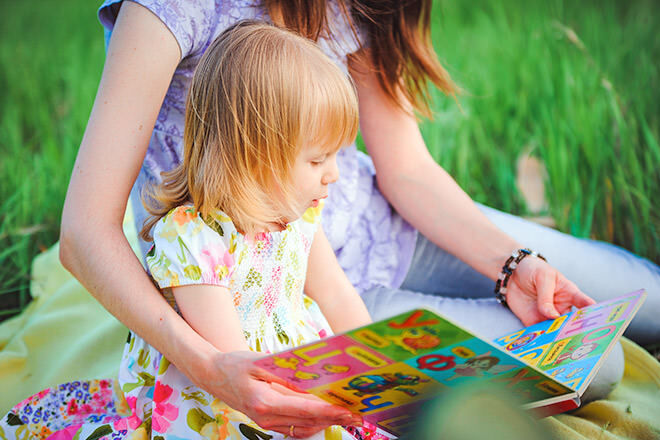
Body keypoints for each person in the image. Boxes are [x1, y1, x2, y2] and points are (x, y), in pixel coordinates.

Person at [55, 0, 659, 436]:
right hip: (291, 305)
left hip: (378, 233)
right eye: (322, 158)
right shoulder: (176, 11)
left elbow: (406, 169)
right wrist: (214, 369)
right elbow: (84, 234)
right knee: (598, 364)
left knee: (645, 300)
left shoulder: (318, 195)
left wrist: (511, 266)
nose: (335, 169)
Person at [2, 22, 389, 440]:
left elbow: (335, 292)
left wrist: (379, 372)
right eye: (317, 160)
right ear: (255, 155)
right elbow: (234, 364)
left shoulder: (298, 216)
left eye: (336, 156)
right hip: (225, 396)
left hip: (287, 372)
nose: (333, 175)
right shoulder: (193, 239)